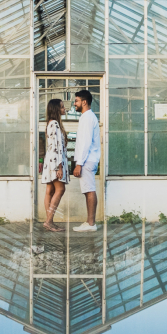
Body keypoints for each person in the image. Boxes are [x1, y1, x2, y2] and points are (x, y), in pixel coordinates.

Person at [72, 90, 100, 232]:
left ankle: (91, 224)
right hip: (88, 160)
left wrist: (79, 164)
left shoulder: (88, 117)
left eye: (76, 101)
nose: (74, 103)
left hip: (87, 160)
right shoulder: (86, 117)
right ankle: (90, 222)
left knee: (89, 190)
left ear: (84, 102)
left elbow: (86, 143)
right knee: (88, 190)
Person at [41, 99, 69, 232]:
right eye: (62, 107)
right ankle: (49, 221)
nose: (65, 109)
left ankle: (49, 221)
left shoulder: (50, 124)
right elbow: (57, 147)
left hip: (50, 161)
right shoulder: (55, 124)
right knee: (60, 190)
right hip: (55, 162)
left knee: (50, 191)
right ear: (56, 109)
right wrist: (60, 167)